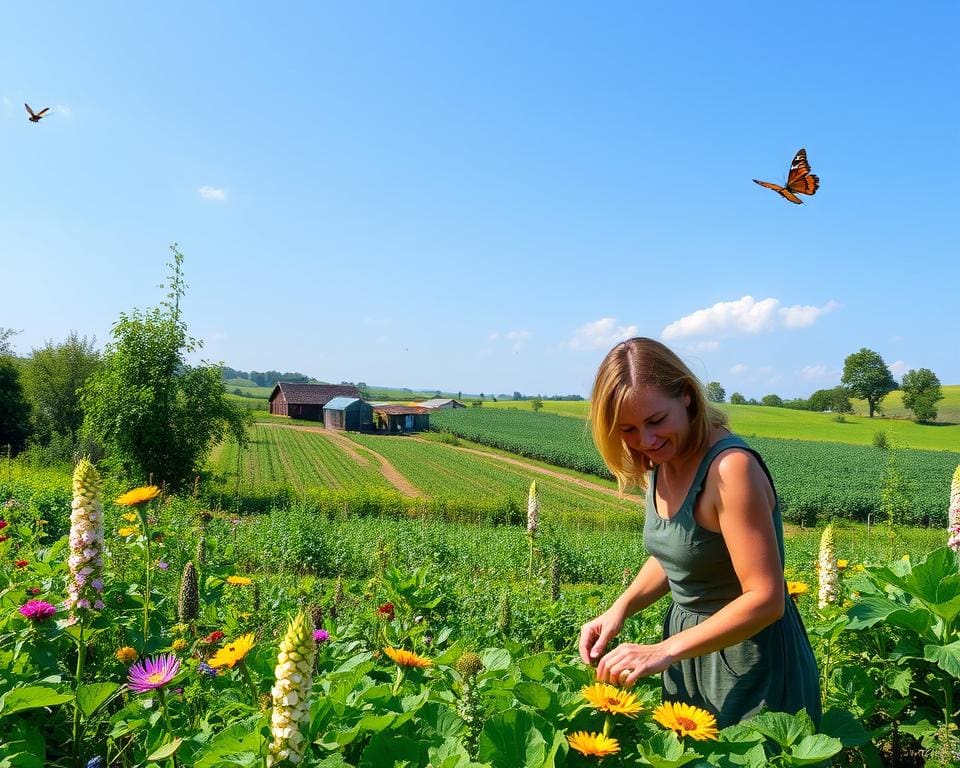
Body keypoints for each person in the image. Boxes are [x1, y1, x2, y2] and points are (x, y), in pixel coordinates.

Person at [578, 337, 821, 728]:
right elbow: (677, 551)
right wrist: (618, 610)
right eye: (628, 429)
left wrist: (666, 650)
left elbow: (766, 599)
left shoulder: (729, 470)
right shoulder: (661, 459)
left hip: (749, 659)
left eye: (656, 421)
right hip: (688, 653)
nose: (646, 441)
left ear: (687, 397)